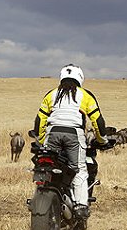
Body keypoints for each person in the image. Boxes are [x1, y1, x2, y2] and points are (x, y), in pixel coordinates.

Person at [33, 64, 110, 219]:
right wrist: (102, 140)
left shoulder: (51, 94)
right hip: (74, 134)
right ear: (80, 78)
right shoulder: (85, 95)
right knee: (80, 170)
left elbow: (40, 119)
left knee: (46, 166)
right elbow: (98, 121)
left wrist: (41, 140)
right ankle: (81, 206)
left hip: (52, 133)